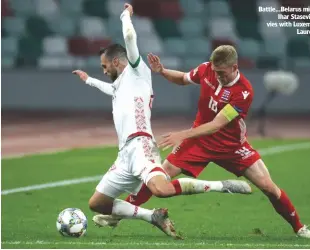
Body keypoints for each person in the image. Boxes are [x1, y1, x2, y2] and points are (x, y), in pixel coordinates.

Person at [72, 3, 251, 239]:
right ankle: (152, 217)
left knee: (162, 189)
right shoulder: (121, 84)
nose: (103, 71)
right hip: (124, 152)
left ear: (117, 62)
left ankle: (221, 186)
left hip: (141, 145)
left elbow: (129, 36)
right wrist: (89, 81)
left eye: (105, 66)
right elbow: (112, 89)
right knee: (98, 203)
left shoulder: (136, 71)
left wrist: (125, 15)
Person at [119, 45, 310, 239]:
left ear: (234, 67)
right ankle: (118, 213)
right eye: (216, 71)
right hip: (198, 141)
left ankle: (299, 228)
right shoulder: (207, 69)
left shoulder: (243, 92)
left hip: (231, 147)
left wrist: (183, 134)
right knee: (159, 178)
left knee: (268, 187)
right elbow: (182, 78)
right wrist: (162, 71)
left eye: (222, 72)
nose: (218, 76)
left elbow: (216, 124)